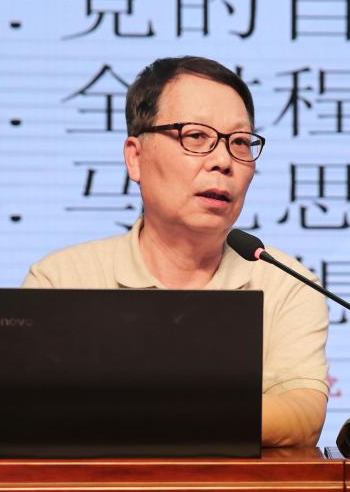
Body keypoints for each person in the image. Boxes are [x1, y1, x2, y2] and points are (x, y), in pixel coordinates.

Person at [22, 56, 329, 447]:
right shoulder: (60, 281)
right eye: (196, 136)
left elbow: (302, 416)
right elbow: (30, 421)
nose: (223, 161)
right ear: (135, 158)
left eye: (239, 142)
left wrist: (135, 411)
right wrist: (205, 414)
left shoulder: (285, 282)